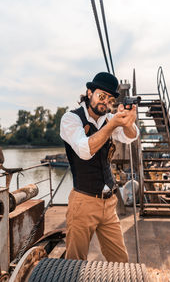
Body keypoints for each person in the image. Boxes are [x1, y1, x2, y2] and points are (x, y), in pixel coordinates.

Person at [60, 72, 139, 262]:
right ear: (89, 93)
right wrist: (112, 124)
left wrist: (128, 121)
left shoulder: (109, 119)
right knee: (74, 263)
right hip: (83, 202)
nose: (105, 102)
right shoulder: (71, 119)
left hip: (109, 203)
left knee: (121, 262)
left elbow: (131, 135)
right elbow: (85, 150)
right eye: (101, 96)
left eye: (110, 99)